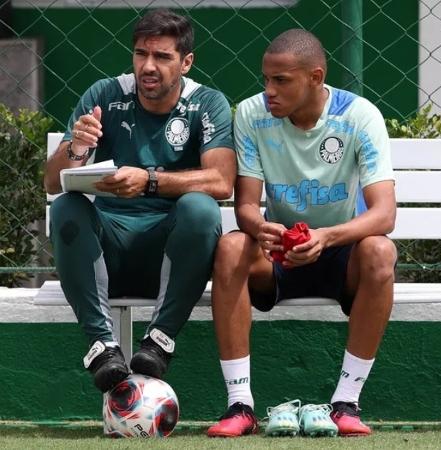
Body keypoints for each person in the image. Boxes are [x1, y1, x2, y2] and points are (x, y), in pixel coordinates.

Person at [207, 28, 396, 438]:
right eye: (266, 79)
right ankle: (239, 405)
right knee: (231, 245)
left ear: (315, 76)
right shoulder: (252, 115)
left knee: (380, 251)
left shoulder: (359, 116)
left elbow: (384, 215)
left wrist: (327, 237)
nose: (269, 91)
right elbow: (244, 208)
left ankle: (346, 402)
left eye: (281, 80)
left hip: (340, 253)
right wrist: (261, 227)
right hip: (277, 255)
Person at [44, 9, 236, 393]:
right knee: (66, 206)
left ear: (186, 62)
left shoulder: (207, 104)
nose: (148, 66)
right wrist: (79, 148)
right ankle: (101, 347)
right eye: (140, 54)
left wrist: (148, 181)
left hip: (173, 257)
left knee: (200, 209)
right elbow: (53, 182)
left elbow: (221, 180)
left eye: (162, 57)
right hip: (106, 254)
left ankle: (159, 341)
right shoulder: (104, 95)